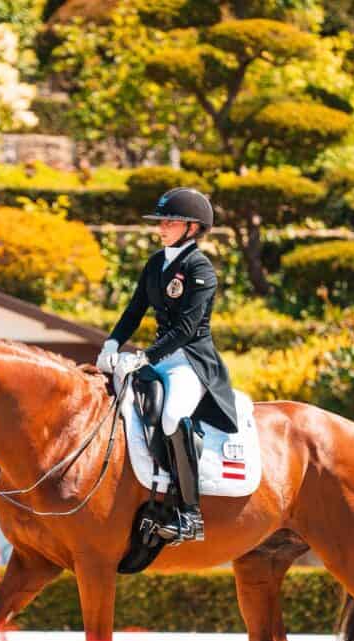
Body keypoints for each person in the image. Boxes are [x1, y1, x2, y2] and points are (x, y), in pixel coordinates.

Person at [96, 187, 238, 544]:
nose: (161, 227)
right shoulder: (156, 263)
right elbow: (134, 310)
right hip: (160, 357)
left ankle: (190, 514)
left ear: (192, 228)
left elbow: (187, 329)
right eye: (160, 221)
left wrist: (145, 356)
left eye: (169, 221)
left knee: (173, 416)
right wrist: (112, 342)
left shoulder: (199, 268)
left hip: (190, 361)